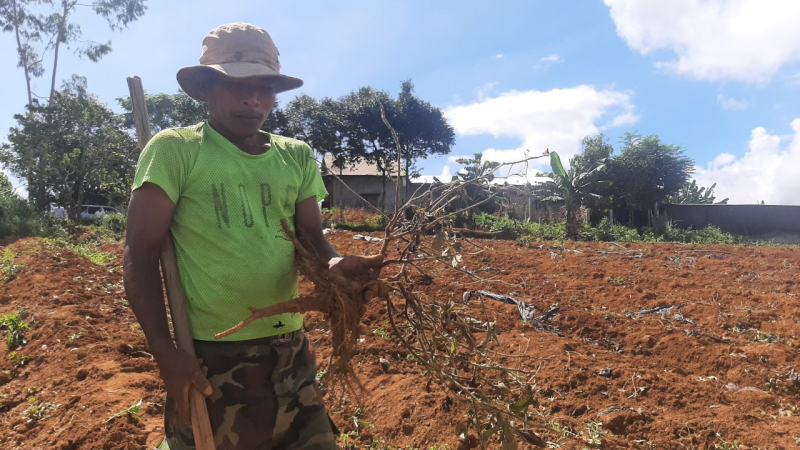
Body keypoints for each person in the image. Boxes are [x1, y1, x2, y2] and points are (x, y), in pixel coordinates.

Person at [123, 23, 383, 450]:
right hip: (211, 356)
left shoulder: (296, 155)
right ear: (206, 85)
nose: (254, 98)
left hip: (291, 350)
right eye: (237, 84)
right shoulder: (175, 151)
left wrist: (336, 265)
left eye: (266, 87)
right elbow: (140, 253)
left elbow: (312, 240)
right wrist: (164, 351)